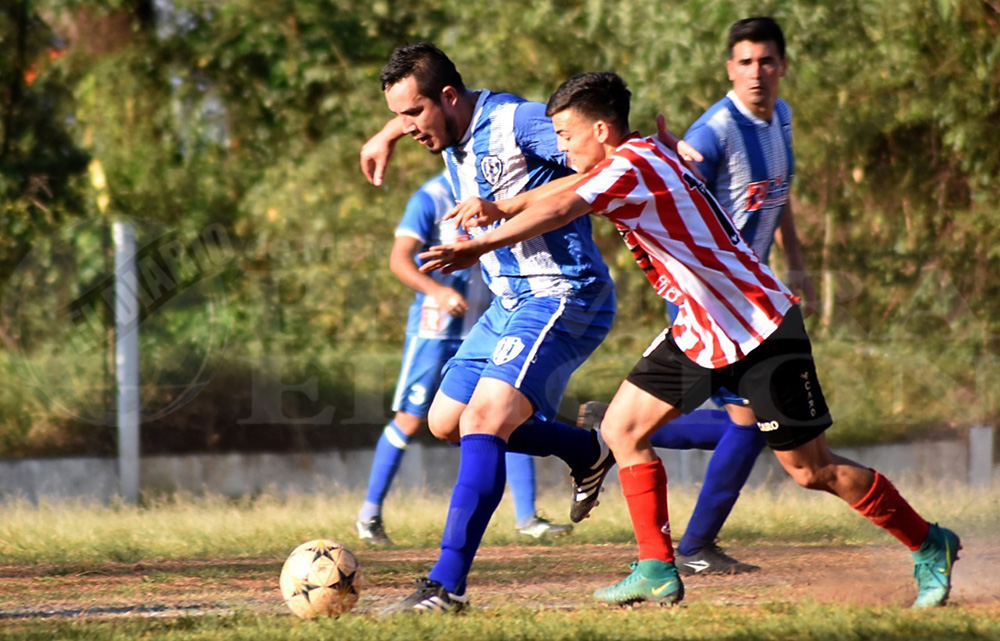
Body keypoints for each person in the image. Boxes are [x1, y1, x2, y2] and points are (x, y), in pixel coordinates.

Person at [424, 71, 959, 610]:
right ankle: (657, 567)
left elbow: (564, 205)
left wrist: (484, 241)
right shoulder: (636, 154)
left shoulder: (628, 168)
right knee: (621, 427)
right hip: (701, 330)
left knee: (810, 470)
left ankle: (928, 541)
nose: (558, 145)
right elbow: (566, 188)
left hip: (759, 327)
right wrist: (502, 207)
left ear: (603, 130)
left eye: (565, 134)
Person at [361, 43, 618, 614]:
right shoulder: (445, 125)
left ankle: (445, 587)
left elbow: (600, 167)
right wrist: (385, 135)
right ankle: (585, 448)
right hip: (509, 301)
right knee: (445, 421)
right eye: (400, 115)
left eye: (413, 116)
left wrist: (501, 215)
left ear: (448, 98)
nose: (410, 128)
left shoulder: (517, 122)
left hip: (562, 292)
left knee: (484, 419)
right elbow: (418, 107)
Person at [577, 16, 817, 576]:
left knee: (751, 425)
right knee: (756, 425)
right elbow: (669, 190)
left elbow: (777, 198)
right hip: (709, 304)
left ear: (782, 66)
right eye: (745, 63)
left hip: (748, 302)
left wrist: (797, 259)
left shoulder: (779, 116)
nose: (757, 73)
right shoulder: (714, 133)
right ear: (729, 69)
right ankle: (692, 546)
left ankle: (608, 430)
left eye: (767, 62)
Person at [357, 172, 572, 546]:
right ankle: (369, 515)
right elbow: (399, 260)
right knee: (410, 421)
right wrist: (436, 292)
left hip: (488, 326)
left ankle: (527, 518)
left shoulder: (493, 193)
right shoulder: (430, 197)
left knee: (506, 408)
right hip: (434, 331)